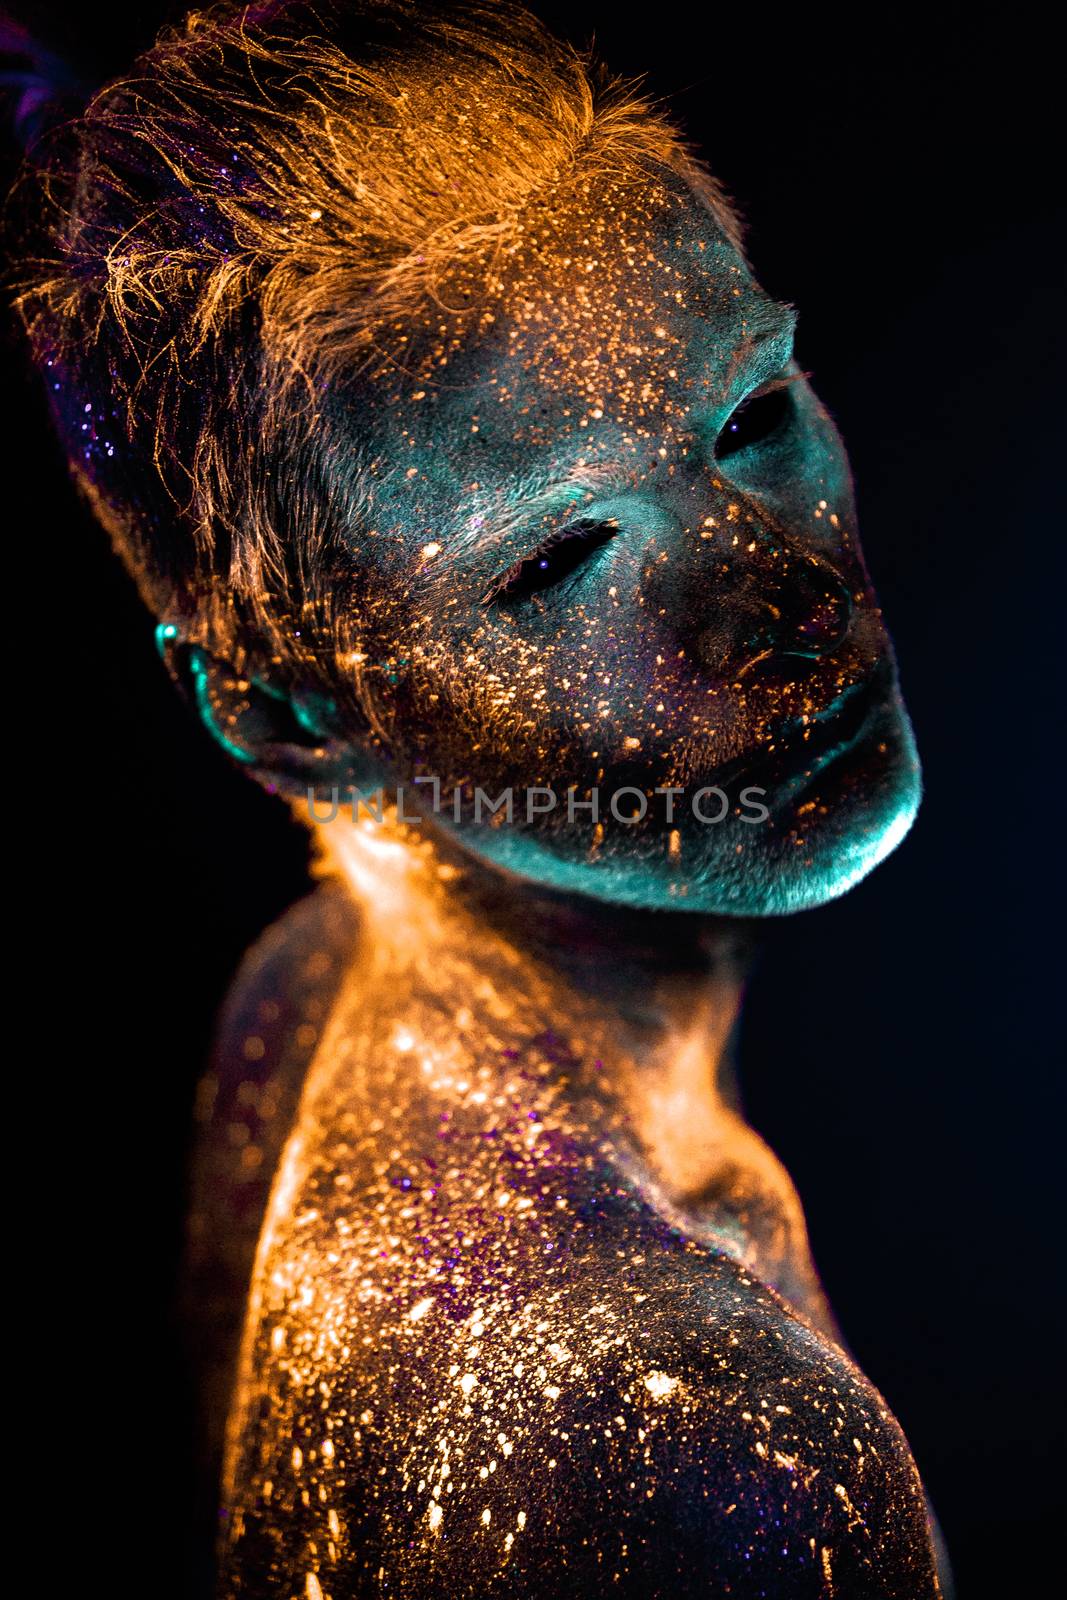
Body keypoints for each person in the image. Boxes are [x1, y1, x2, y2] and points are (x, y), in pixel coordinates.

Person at [8, 2, 945, 1593]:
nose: (783, 601)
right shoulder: (709, 1455)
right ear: (283, 712)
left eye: (754, 418)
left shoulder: (301, 999)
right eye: (559, 559)